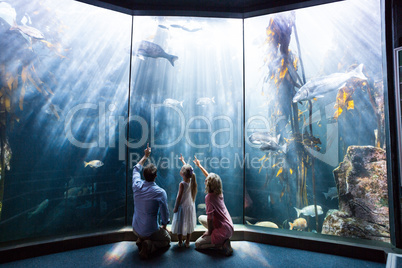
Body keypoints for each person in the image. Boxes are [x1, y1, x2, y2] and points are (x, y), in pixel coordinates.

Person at [132, 143, 171, 259]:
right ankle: (150, 245)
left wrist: (145, 156)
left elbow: (135, 169)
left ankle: (141, 238)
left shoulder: (136, 185)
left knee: (142, 228)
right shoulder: (160, 192)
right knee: (167, 239)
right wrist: (164, 225)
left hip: (136, 228)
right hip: (151, 231)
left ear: (143, 175)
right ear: (155, 176)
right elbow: (164, 214)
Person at [193, 156, 234, 256]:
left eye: (207, 181)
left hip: (222, 230)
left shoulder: (209, 198)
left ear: (209, 185)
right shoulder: (219, 192)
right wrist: (200, 166)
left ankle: (220, 245)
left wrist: (209, 232)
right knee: (201, 218)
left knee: (198, 244)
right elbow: (210, 178)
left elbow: (210, 219)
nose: (205, 181)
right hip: (229, 227)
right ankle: (223, 240)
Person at [171, 154, 198, 248]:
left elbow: (179, 197)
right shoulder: (191, 180)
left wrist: (175, 207)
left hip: (182, 207)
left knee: (180, 224)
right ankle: (187, 242)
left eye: (182, 168)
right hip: (189, 206)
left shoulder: (182, 184)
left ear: (182, 173)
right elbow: (188, 170)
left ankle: (179, 241)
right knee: (189, 223)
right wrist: (183, 161)